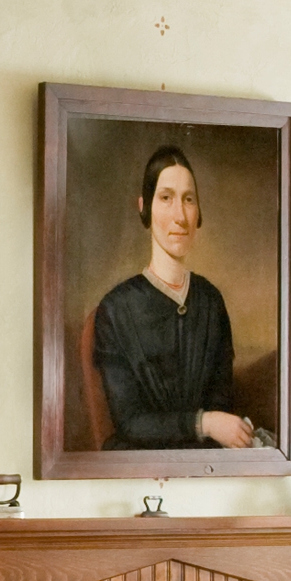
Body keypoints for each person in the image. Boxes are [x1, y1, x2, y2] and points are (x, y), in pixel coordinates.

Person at [91, 145, 256, 450]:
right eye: (166, 198)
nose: (179, 216)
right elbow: (128, 421)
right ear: (145, 207)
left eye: (188, 200)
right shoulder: (115, 309)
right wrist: (202, 423)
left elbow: (223, 405)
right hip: (137, 466)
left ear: (198, 214)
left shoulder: (210, 301)